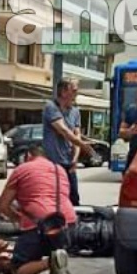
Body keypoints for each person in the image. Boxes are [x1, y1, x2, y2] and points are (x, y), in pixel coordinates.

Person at [0, 145, 76, 274]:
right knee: (53, 242)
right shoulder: (60, 169)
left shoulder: (21, 169)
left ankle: (50, 262)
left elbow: (3, 205)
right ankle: (56, 264)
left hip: (38, 225)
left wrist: (17, 218)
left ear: (28, 155)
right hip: (67, 223)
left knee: (18, 271)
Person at [42, 78, 94, 207]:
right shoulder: (51, 107)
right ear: (64, 92)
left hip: (69, 163)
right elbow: (64, 131)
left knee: (73, 197)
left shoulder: (75, 111)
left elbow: (77, 135)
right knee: (54, 198)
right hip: (53, 163)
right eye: (74, 90)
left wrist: (75, 159)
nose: (77, 93)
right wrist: (84, 146)